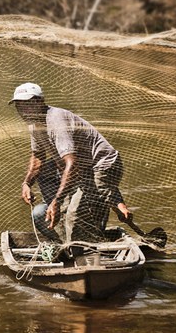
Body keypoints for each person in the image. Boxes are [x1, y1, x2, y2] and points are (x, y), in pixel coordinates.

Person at [10, 82, 137, 243]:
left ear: (39, 102)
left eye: (26, 105)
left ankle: (88, 239)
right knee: (44, 211)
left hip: (102, 165)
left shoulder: (56, 120)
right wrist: (26, 183)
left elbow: (72, 164)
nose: (23, 111)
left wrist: (57, 200)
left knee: (75, 215)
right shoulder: (34, 124)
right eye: (19, 106)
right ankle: (70, 241)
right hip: (80, 170)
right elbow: (38, 156)